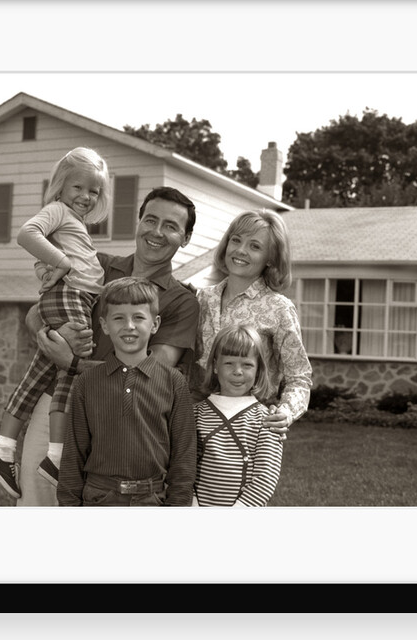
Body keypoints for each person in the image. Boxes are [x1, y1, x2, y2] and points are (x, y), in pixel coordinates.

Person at [16, 186, 201, 506]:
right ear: (138, 222)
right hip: (58, 402)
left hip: (123, 418)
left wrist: (71, 362)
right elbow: (34, 315)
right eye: (151, 220)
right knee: (37, 499)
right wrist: (54, 331)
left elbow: (152, 370)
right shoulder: (96, 264)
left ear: (185, 238)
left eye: (171, 226)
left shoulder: (182, 301)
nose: (157, 232)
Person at [0, 147, 110, 498]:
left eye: (94, 191)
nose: (85, 196)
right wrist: (62, 263)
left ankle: (4, 445)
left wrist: (53, 264)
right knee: (71, 365)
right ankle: (56, 455)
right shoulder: (57, 210)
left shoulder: (72, 220)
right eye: (78, 188)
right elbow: (27, 234)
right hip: (71, 295)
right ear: (60, 187)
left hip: (74, 295)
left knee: (41, 371)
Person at [56, 277, 196, 506]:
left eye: (138, 317)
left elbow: (184, 457)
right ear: (104, 325)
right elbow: (73, 454)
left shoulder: (174, 382)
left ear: (155, 324)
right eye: (118, 318)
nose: (129, 326)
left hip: (152, 499)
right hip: (99, 497)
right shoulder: (87, 383)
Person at [193, 209, 313, 433]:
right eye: (236, 240)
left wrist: (285, 412)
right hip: (198, 423)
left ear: (270, 259)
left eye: (255, 246)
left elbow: (299, 377)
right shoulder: (202, 299)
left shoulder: (279, 309)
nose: (240, 250)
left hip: (251, 428)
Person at [192, 324, 283, 507]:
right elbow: (182, 469)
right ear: (215, 366)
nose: (238, 371)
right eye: (229, 363)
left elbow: (265, 479)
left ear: (258, 370)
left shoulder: (267, 421)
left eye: (247, 365)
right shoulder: (194, 415)